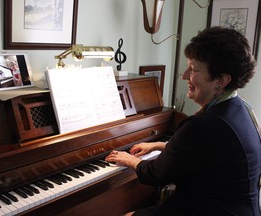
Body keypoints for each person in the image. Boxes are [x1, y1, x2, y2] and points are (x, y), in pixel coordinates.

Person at [106, 26, 261, 216]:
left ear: (221, 80)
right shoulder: (241, 108)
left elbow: (156, 175)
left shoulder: (204, 124)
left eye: (193, 69)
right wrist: (160, 145)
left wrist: (130, 160)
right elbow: (206, 150)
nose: (184, 75)